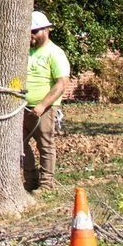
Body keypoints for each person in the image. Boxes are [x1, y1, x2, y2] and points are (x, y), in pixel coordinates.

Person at [24, 10, 73, 191]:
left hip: (44, 110)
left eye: (34, 32)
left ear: (46, 30)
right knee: (19, 145)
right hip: (22, 107)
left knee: (45, 145)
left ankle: (46, 185)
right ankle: (30, 181)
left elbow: (61, 84)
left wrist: (42, 105)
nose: (31, 36)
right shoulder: (27, 51)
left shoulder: (55, 53)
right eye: (29, 32)